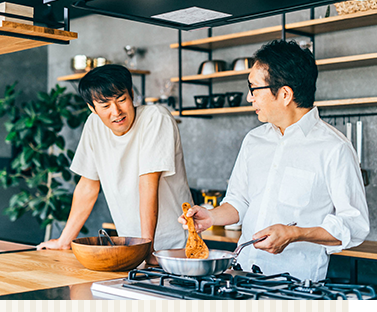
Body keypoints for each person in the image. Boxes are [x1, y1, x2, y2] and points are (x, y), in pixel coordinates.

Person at [179, 40, 370, 281]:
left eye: (254, 88)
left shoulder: (335, 148)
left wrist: (295, 233)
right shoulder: (253, 140)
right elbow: (239, 200)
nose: (249, 97)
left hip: (294, 288)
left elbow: (354, 224)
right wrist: (212, 217)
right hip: (242, 277)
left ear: (285, 94)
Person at [37, 64, 192, 264]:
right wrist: (64, 241)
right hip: (132, 250)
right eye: (105, 106)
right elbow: (88, 186)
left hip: (173, 247)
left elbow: (148, 183)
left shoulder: (156, 118)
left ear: (132, 95)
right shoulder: (94, 126)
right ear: (92, 108)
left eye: (121, 100)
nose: (116, 111)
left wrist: (148, 248)